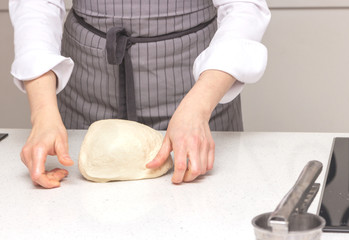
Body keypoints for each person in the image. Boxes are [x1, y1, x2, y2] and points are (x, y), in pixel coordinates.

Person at [9, 0, 271, 188]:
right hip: (89, 84)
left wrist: (199, 106)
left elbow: (245, 8)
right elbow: (35, 5)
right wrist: (43, 113)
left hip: (200, 88)